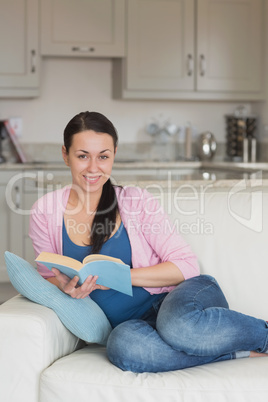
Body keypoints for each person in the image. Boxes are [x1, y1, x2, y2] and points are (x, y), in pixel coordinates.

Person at [29, 111, 268, 373]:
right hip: (132, 325)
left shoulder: (134, 200)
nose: (93, 168)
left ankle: (264, 335)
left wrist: (119, 277)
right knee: (124, 349)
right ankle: (234, 352)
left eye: (103, 156)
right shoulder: (45, 211)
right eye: (83, 156)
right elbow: (46, 273)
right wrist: (66, 288)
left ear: (114, 155)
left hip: (182, 300)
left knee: (178, 327)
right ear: (66, 155)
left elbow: (186, 267)